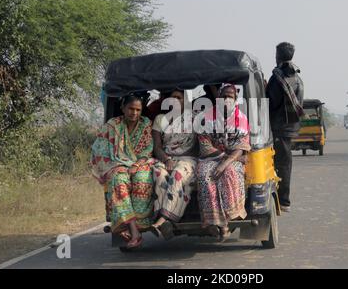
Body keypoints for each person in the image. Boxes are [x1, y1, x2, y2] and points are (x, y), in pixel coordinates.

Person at [91, 93, 155, 249]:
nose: (134, 113)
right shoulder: (112, 125)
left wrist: (136, 165)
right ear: (123, 108)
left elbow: (147, 150)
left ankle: (135, 226)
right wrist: (120, 166)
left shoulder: (145, 124)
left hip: (140, 162)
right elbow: (101, 150)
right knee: (118, 180)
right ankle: (134, 231)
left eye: (138, 110)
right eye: (131, 109)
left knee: (143, 177)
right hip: (117, 163)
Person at [196, 84, 251, 241]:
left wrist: (225, 163)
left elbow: (241, 146)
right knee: (205, 175)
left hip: (231, 159)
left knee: (229, 173)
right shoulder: (206, 117)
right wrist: (224, 157)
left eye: (230, 97)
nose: (226, 99)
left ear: (235, 99)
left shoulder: (242, 118)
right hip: (211, 157)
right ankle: (214, 222)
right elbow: (205, 145)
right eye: (224, 96)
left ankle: (226, 223)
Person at [151, 89, 198, 239]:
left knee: (177, 175)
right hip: (166, 158)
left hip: (188, 160)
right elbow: (157, 147)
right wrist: (167, 159)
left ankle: (163, 219)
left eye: (179, 98)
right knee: (159, 174)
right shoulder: (160, 119)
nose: (176, 100)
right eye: (173, 98)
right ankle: (166, 223)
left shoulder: (194, 119)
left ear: (186, 101)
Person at [266, 42, 304, 212]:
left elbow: (271, 102)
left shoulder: (279, 77)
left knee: (280, 164)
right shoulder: (297, 76)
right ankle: (283, 199)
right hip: (289, 128)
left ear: (278, 56)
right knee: (285, 163)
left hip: (279, 127)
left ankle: (282, 200)